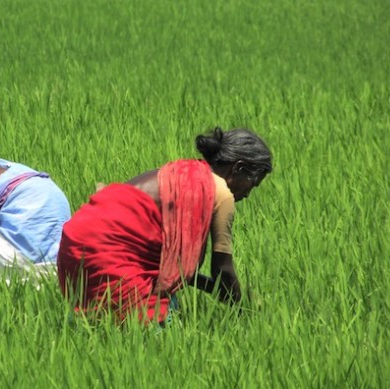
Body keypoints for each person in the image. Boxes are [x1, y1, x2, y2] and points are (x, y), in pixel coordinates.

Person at [57, 128, 272, 323]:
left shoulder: (180, 174)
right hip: (109, 251)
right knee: (154, 334)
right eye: (252, 184)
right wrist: (246, 311)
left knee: (95, 324)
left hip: (76, 240)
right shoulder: (221, 193)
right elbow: (223, 270)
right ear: (238, 168)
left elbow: (174, 268)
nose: (248, 194)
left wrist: (213, 289)